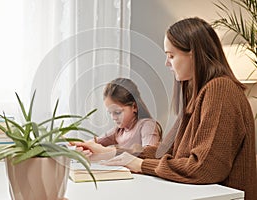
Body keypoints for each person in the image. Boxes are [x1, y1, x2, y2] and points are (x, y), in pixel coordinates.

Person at [75, 17, 257, 200]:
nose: (166, 63)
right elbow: (164, 151)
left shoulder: (220, 90)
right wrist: (108, 152)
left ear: (194, 53)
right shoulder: (196, 96)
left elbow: (205, 168)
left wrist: (140, 165)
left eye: (171, 55)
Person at [96, 77, 162, 151]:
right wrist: (84, 146)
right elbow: (95, 142)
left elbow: (150, 152)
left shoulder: (147, 125)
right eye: (110, 113)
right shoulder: (119, 131)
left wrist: (112, 151)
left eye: (117, 112)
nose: (113, 117)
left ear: (134, 107)